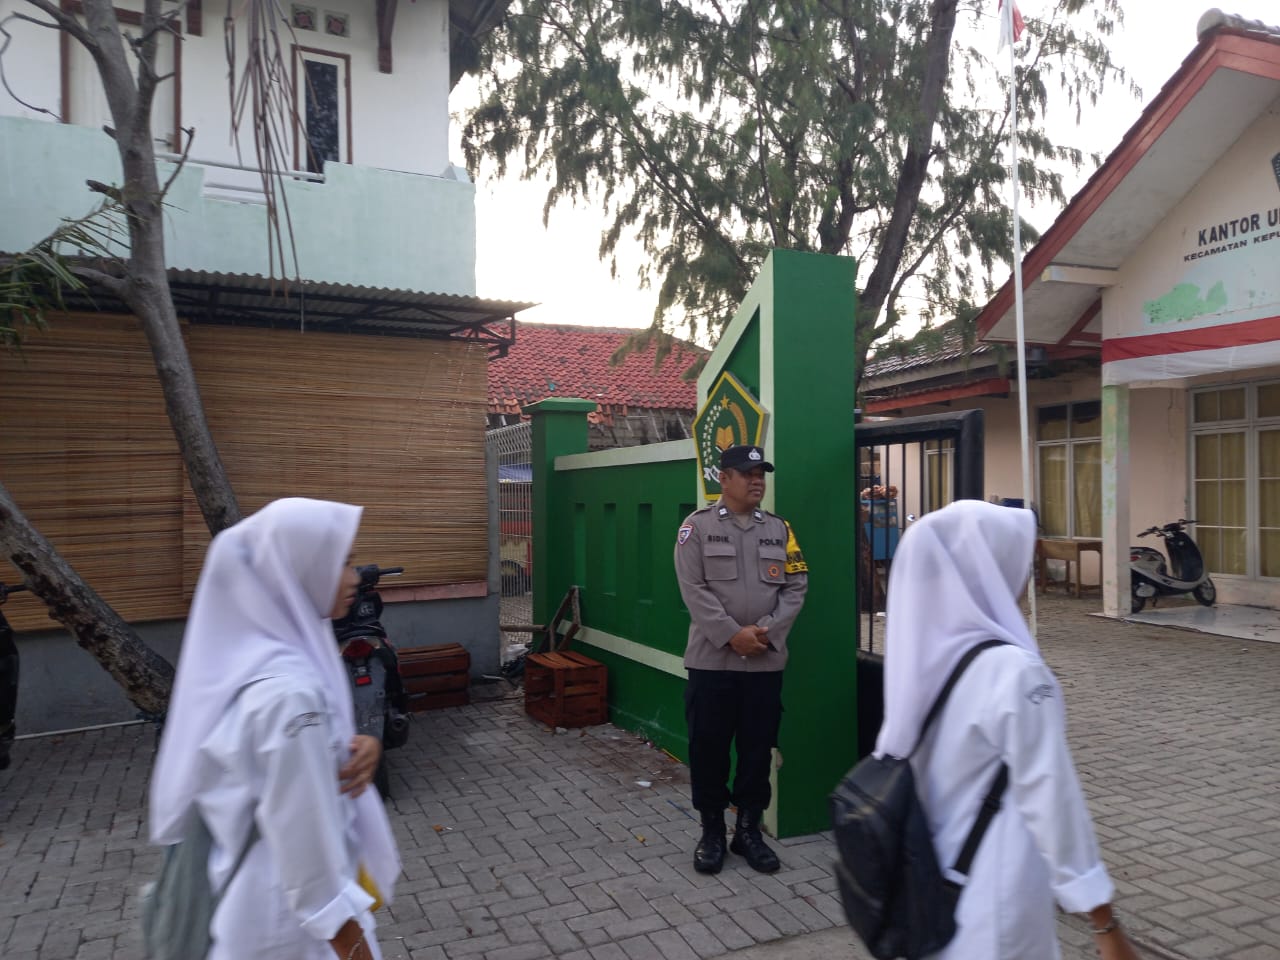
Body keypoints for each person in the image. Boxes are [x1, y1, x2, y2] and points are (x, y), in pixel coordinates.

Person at [877, 500, 1139, 960]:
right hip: (994, 903)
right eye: (1019, 561)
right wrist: (1103, 920)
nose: (1027, 576)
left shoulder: (922, 658)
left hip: (926, 895)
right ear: (988, 568)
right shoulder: (1013, 671)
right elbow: (1052, 797)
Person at [149, 498, 400, 960]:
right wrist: (356, 951)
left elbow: (266, 761)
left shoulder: (253, 663)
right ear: (296, 570)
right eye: (341, 562)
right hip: (286, 931)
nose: (354, 578)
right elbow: (310, 863)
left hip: (255, 913)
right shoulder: (288, 695)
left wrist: (359, 745)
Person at [674, 445, 808, 875]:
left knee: (756, 749)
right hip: (711, 663)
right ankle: (712, 831)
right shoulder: (696, 528)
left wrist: (765, 632)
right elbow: (693, 589)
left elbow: (796, 585)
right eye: (748, 473)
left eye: (761, 474)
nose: (757, 481)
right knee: (708, 749)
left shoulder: (780, 529)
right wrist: (733, 635)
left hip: (763, 663)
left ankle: (748, 831)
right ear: (724, 478)